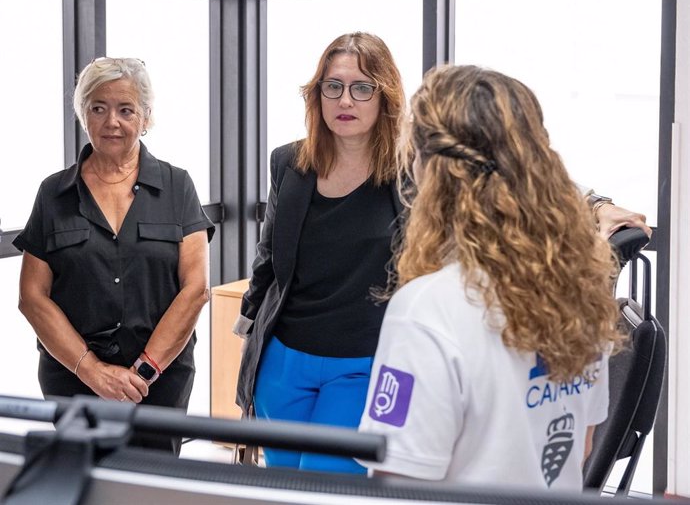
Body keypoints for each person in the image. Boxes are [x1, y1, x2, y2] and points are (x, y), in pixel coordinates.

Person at [357, 65, 631, 490]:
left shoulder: (427, 310)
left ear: (433, 173)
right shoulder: (580, 289)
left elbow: (398, 485)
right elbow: (581, 445)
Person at [14, 57, 214, 455]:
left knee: (153, 488)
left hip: (158, 381)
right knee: (84, 484)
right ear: (82, 115)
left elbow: (196, 289)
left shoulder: (178, 185)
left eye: (126, 110)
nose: (112, 122)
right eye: (98, 108)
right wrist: (93, 371)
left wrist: (142, 371)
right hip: (73, 380)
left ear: (146, 117)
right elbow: (32, 298)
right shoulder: (53, 193)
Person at [233, 32, 406, 474]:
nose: (345, 99)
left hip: (365, 364)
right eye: (333, 86)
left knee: (327, 487)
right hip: (283, 362)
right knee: (287, 487)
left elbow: (502, 181)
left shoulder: (412, 172)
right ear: (318, 94)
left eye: (362, 87)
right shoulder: (289, 162)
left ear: (383, 97)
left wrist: (595, 206)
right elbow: (269, 254)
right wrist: (249, 325)